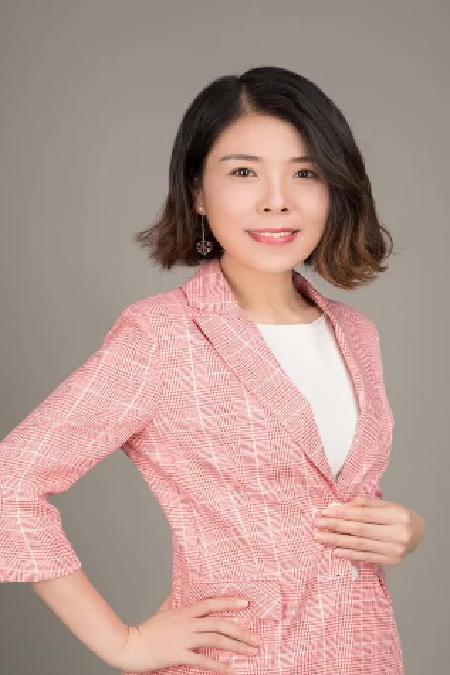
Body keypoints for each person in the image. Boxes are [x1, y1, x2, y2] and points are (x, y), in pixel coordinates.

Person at [0, 65, 425, 675]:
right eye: (244, 172)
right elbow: (10, 482)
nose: (276, 199)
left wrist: (406, 529)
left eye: (305, 172)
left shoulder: (357, 334)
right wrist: (122, 644)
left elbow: (331, 495)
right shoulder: (163, 335)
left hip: (368, 654)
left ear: (337, 188)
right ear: (197, 192)